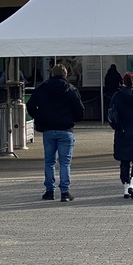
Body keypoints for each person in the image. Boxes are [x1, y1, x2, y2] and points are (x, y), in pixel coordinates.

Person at [26, 63, 84, 202]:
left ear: (52, 73)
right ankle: (65, 192)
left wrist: (39, 117)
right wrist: (72, 119)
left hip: (48, 129)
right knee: (65, 163)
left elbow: (30, 105)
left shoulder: (43, 88)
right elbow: (80, 110)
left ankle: (49, 191)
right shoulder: (71, 89)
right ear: (65, 74)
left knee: (49, 162)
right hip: (66, 129)